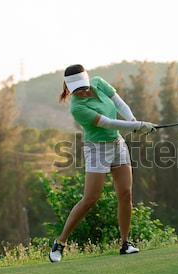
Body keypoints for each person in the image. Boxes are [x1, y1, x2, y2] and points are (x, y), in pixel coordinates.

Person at [49, 64, 156, 262]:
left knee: (125, 193)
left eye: (83, 87)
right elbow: (106, 122)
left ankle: (125, 243)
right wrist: (137, 126)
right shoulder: (77, 107)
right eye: (76, 89)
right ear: (70, 88)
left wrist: (134, 121)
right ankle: (60, 242)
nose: (81, 92)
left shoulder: (98, 83)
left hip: (117, 144)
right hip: (97, 149)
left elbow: (119, 104)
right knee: (90, 199)